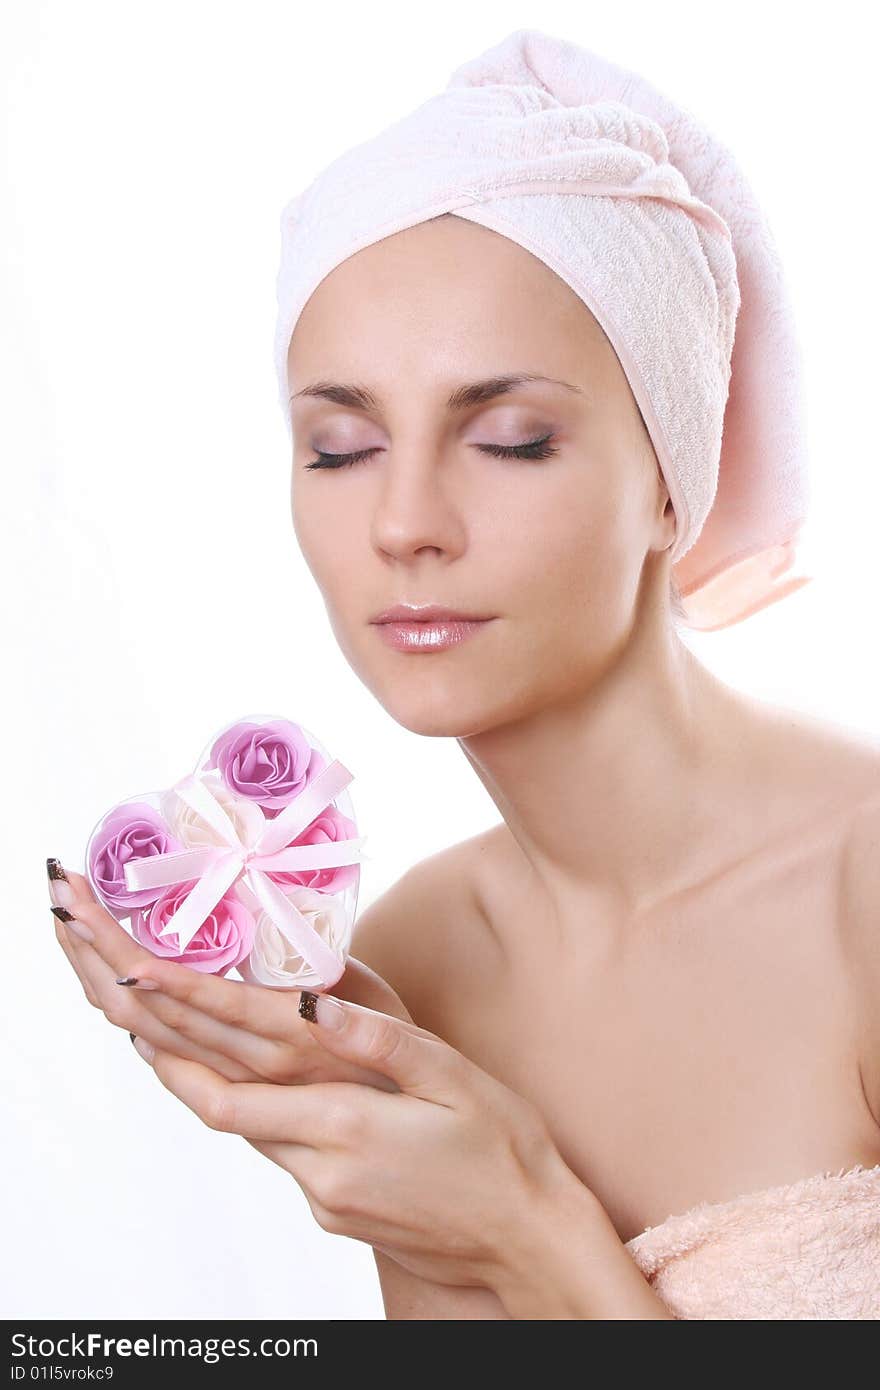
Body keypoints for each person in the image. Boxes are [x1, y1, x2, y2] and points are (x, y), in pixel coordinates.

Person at [48, 33, 880, 1320]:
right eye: (339, 448)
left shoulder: (859, 890)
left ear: (672, 473)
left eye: (508, 438)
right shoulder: (410, 965)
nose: (404, 523)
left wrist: (521, 1223)